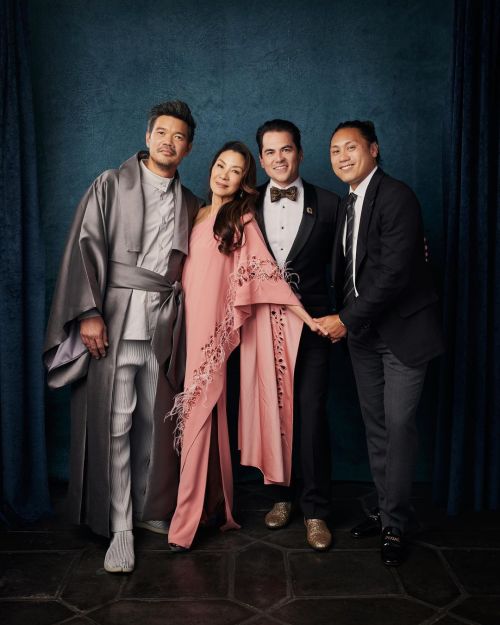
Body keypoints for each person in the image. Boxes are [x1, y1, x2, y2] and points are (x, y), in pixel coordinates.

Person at [43, 100, 201, 573]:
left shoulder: (191, 201)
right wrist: (89, 312)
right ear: (148, 134)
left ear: (188, 147)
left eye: (179, 137)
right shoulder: (111, 184)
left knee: (155, 422)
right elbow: (84, 246)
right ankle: (120, 527)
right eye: (162, 133)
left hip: (166, 325)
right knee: (116, 422)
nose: (168, 142)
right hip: (114, 318)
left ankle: (146, 507)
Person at [166, 141, 326, 551]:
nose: (223, 174)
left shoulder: (243, 218)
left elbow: (266, 275)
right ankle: (215, 506)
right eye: (220, 165)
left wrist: (305, 317)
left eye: (235, 170)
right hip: (187, 324)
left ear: (244, 182)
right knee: (209, 415)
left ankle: (183, 526)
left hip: (213, 330)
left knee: (199, 415)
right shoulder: (198, 212)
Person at [317, 120, 444, 565]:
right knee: (375, 428)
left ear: (373, 148)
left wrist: (344, 320)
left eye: (350, 147)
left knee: (399, 427)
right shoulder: (346, 203)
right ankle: (387, 510)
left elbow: (394, 273)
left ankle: (395, 523)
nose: (342, 157)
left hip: (402, 333)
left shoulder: (397, 196)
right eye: (334, 151)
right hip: (364, 337)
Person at [254, 119, 340, 551]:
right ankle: (279, 497)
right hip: (263, 330)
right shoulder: (247, 205)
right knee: (272, 414)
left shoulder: (329, 203)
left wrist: (341, 316)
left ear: (300, 153)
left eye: (286, 149)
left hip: (314, 326)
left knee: (309, 413)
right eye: (270, 152)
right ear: (261, 158)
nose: (279, 159)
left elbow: (349, 264)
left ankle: (316, 510)